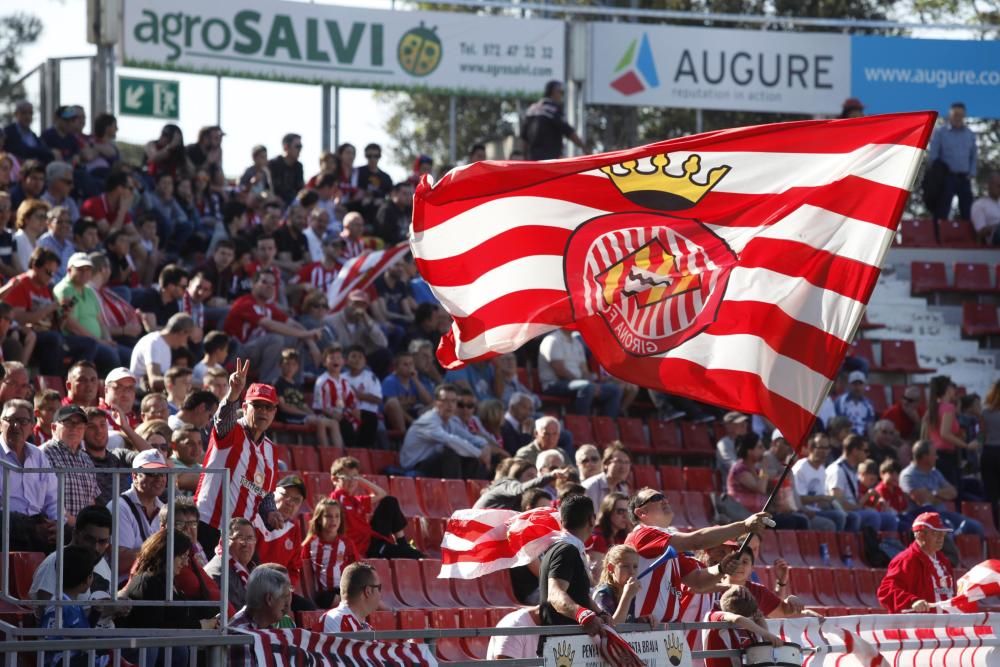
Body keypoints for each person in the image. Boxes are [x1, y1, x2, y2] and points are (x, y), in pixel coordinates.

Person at [625, 487, 769, 624]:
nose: (664, 500)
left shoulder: (665, 544)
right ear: (641, 513)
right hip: (643, 631)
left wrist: (721, 568)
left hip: (665, 631)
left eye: (664, 496)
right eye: (656, 497)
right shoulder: (643, 534)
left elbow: (698, 582)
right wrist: (744, 526)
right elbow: (696, 541)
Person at [194, 359, 282, 555]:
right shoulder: (231, 430)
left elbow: (265, 493)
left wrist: (271, 512)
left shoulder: (271, 450)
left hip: (241, 536)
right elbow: (222, 419)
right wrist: (233, 392)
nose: (263, 412)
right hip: (209, 526)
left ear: (275, 412)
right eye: (257, 406)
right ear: (245, 406)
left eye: (268, 408)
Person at [223, 271, 321, 385]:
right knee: (275, 339)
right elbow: (271, 325)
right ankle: (267, 386)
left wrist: (311, 343)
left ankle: (295, 386)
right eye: (264, 282)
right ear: (253, 284)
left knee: (295, 339)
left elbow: (293, 324)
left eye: (273, 284)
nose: (269, 286)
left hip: (256, 354)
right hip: (236, 354)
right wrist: (307, 334)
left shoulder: (268, 307)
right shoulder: (244, 303)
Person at [538, 494, 612, 635]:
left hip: (569, 644)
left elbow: (578, 593)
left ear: (562, 521)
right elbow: (555, 594)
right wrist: (583, 615)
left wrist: (599, 612)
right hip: (562, 646)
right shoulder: (566, 550)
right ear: (592, 520)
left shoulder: (565, 549)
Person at [400, 383, 501, 479]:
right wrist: (479, 454)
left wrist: (485, 446)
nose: (450, 405)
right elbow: (450, 440)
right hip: (415, 467)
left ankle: (475, 489)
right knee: (450, 451)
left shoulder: (450, 421)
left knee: (491, 458)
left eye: (453, 401)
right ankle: (456, 489)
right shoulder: (428, 420)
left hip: (433, 466)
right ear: (436, 403)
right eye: (445, 401)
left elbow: (469, 437)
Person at [329, 455, 421, 559]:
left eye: (354, 477)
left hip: (372, 539)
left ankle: (403, 544)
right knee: (415, 555)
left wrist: (360, 479)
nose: (351, 482)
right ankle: (404, 549)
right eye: (346, 477)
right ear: (335, 479)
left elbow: (382, 493)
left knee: (390, 501)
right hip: (367, 549)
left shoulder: (355, 501)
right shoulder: (335, 500)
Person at [0, 398, 59, 551]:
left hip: (37, 522)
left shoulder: (38, 456)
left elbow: (53, 498)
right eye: (9, 420)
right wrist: (31, 528)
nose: (15, 426)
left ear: (32, 426)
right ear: (0, 424)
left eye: (22, 421)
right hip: (6, 522)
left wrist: (56, 523)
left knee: (71, 536)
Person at [30, 505, 114, 611]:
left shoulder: (100, 561)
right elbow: (49, 615)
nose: (95, 548)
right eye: (89, 539)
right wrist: (104, 610)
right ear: (75, 534)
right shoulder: (56, 562)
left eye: (102, 541)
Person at [38, 544, 108, 667]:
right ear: (87, 579)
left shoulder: (73, 603)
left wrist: (95, 614)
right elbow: (50, 640)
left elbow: (83, 630)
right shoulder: (58, 606)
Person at [900, 440, 984, 537]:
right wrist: (941, 495)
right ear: (924, 457)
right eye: (934, 454)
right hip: (924, 517)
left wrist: (934, 493)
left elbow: (953, 492)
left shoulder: (934, 472)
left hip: (943, 513)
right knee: (948, 530)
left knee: (976, 527)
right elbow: (923, 501)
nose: (937, 457)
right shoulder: (908, 475)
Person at [253, 475, 312, 611]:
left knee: (308, 611)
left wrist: (283, 590)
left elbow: (294, 568)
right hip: (252, 588)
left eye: (296, 500)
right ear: (272, 494)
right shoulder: (254, 517)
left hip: (278, 591)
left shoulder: (294, 528)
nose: (289, 502)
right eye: (285, 495)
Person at [877, 512, 955, 613]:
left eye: (943, 534)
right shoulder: (906, 560)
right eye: (935, 533)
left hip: (945, 625)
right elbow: (885, 592)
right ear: (920, 535)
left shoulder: (944, 561)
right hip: (918, 626)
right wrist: (912, 601)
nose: (941, 538)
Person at [728, 432, 808, 530]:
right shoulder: (740, 469)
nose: (764, 451)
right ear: (749, 451)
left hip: (760, 516)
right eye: (759, 447)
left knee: (801, 521)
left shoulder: (755, 470)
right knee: (789, 522)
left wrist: (787, 467)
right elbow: (761, 488)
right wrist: (764, 467)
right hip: (745, 516)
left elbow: (776, 481)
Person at [109, 449, 168, 582]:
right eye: (152, 473)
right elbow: (120, 561)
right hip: (125, 589)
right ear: (135, 475)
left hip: (152, 584)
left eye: (163, 473)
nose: (159, 478)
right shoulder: (119, 507)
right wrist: (164, 551)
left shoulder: (164, 508)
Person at [538, 328, 622, 418]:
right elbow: (560, 371)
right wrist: (589, 384)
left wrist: (593, 383)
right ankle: (583, 421)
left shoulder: (577, 343)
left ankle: (606, 424)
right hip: (554, 384)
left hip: (579, 383)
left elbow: (584, 371)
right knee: (587, 387)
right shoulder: (552, 339)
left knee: (614, 389)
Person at [41, 405, 101, 525]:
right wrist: (76, 524)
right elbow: (41, 499)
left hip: (83, 533)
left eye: (80, 425)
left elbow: (91, 500)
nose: (75, 428)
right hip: (55, 529)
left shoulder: (87, 459)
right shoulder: (42, 455)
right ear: (53, 427)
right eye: (68, 423)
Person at [826, 434, 896, 532]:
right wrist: (860, 507)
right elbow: (838, 503)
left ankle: (888, 545)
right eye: (865, 451)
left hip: (855, 510)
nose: (867, 454)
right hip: (846, 513)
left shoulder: (852, 471)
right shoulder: (837, 470)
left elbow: (855, 501)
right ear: (855, 451)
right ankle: (870, 546)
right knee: (872, 516)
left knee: (890, 518)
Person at [701, 585, 784, 667]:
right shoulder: (713, 614)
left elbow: (758, 616)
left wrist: (767, 639)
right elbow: (738, 619)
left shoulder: (737, 611)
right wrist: (767, 635)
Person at [301, 497, 359, 609]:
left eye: (337, 516)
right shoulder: (310, 544)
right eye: (328, 516)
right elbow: (302, 569)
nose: (334, 520)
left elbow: (357, 568)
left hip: (343, 589)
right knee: (340, 600)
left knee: (362, 595)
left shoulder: (346, 543)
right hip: (325, 595)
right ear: (319, 519)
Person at [229, 567, 293, 665]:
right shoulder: (241, 634)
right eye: (284, 597)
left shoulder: (265, 627)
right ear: (269, 599)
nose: (287, 605)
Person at [924, 374, 977, 488]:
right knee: (952, 491)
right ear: (947, 389)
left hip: (934, 454)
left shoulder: (933, 407)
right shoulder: (948, 407)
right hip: (945, 456)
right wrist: (966, 445)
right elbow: (945, 433)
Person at [928, 102, 977, 223]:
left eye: (960, 115)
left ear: (964, 115)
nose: (958, 117)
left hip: (964, 178)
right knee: (942, 210)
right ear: (950, 115)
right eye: (955, 114)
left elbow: (974, 156)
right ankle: (939, 239)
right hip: (946, 178)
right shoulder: (940, 132)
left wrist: (972, 172)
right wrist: (938, 173)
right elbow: (933, 155)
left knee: (968, 210)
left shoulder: (969, 134)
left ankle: (969, 240)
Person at [129, 313, 195, 392]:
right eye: (187, 337)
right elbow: (154, 381)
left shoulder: (165, 345)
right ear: (181, 332)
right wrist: (183, 382)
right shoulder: (154, 343)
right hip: (141, 394)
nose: (185, 343)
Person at [521, 80, 586, 160]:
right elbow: (569, 132)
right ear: (553, 92)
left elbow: (524, 139)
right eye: (560, 92)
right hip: (549, 160)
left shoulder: (531, 109)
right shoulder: (553, 110)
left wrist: (525, 159)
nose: (562, 95)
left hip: (533, 161)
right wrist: (583, 147)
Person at [204, 517, 257, 610]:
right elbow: (234, 614)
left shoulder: (253, 569)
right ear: (223, 541)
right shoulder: (220, 572)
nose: (245, 543)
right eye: (239, 538)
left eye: (250, 538)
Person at [473, 458, 565, 511]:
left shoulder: (522, 500)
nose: (533, 479)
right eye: (529, 475)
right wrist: (551, 476)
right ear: (517, 476)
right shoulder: (508, 484)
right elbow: (521, 489)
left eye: (535, 476)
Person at [321, 562, 381, 632]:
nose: (380, 594)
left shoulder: (367, 628)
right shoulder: (334, 620)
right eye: (379, 588)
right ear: (368, 591)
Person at [593, 545, 642, 624]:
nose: (632, 571)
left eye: (635, 566)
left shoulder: (628, 591)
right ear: (611, 568)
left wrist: (639, 620)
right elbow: (613, 627)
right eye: (625, 566)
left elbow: (626, 621)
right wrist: (627, 596)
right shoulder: (602, 594)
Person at [583, 443, 631, 509]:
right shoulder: (590, 487)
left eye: (627, 462)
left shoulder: (623, 489)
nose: (623, 466)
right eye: (619, 461)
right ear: (606, 463)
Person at [268, 133, 304, 205]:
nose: (300, 149)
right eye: (297, 146)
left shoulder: (298, 166)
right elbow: (268, 188)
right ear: (286, 147)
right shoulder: (273, 164)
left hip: (293, 205)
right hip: (274, 205)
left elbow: (300, 189)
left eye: (301, 147)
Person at [982, 381, 1000, 523]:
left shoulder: (985, 412)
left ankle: (994, 524)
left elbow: (981, 434)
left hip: (988, 453)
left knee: (991, 494)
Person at [716, 412, 749, 478]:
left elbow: (761, 468)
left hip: (752, 482)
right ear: (728, 426)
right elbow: (735, 468)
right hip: (734, 486)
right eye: (740, 423)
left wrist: (763, 474)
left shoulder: (747, 442)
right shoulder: (723, 444)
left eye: (745, 422)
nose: (745, 424)